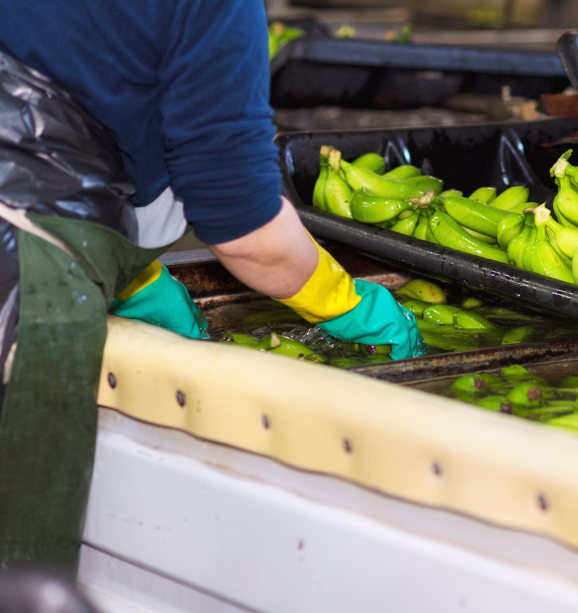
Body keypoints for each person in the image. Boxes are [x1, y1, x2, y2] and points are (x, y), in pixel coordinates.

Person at [0, 0, 425, 359]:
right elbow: (242, 224)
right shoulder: (216, 9)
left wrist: (134, 279)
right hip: (22, 277)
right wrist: (342, 304)